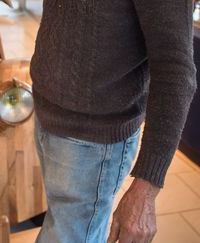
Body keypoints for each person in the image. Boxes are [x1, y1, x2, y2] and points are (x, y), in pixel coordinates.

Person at [30, 1, 197, 243]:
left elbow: (176, 71)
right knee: (61, 220)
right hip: (48, 114)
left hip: (93, 143)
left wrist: (147, 187)